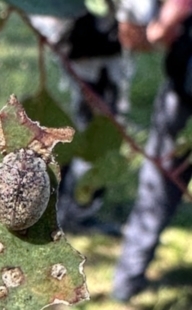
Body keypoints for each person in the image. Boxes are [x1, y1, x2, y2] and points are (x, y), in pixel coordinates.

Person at [113, 0, 192, 301]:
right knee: (158, 190)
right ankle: (127, 282)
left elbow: (169, 21)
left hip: (183, 99)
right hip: (183, 94)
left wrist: (157, 28)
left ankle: (127, 281)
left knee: (157, 191)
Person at [29, 4, 131, 235]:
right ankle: (66, 209)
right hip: (80, 53)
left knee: (93, 131)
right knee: (79, 132)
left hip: (97, 53)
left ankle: (74, 209)